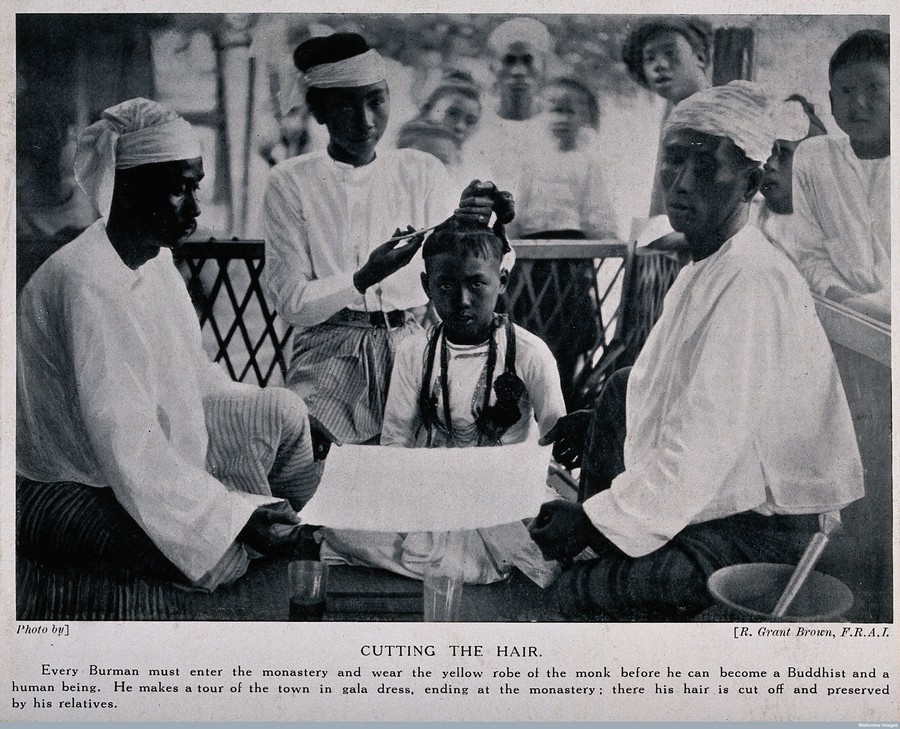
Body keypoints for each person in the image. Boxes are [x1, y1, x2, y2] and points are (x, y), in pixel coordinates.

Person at [530, 81, 864, 620]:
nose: (680, 184)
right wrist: (596, 423)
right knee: (619, 389)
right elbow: (672, 388)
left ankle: (606, 549)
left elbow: (705, 442)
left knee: (574, 591)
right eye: (673, 161)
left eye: (706, 168)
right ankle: (609, 539)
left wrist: (591, 521)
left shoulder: (752, 280)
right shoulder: (709, 264)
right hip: (717, 496)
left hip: (766, 530)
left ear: (751, 183)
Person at [16, 98, 321, 592]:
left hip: (132, 455)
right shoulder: (86, 281)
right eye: (180, 189)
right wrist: (234, 518)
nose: (196, 208)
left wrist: (290, 414)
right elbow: (126, 441)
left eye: (195, 186)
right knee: (219, 559)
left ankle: (277, 518)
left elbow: (193, 372)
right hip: (71, 480)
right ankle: (255, 522)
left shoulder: (153, 260)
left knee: (283, 411)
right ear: (128, 190)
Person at [263, 33, 495, 450]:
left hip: (414, 344)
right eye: (347, 105)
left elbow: (455, 265)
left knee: (426, 472)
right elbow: (293, 303)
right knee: (315, 466)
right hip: (329, 351)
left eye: (376, 100)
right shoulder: (290, 182)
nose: (366, 120)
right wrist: (363, 277)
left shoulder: (421, 171)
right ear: (319, 111)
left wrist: (482, 221)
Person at [322, 216, 566, 584]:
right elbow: (396, 442)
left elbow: (553, 440)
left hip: (504, 497)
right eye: (446, 285)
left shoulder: (530, 352)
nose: (462, 300)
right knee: (340, 524)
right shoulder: (414, 349)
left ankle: (447, 562)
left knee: (539, 535)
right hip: (430, 492)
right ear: (426, 286)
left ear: (502, 280)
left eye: (476, 283)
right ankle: (466, 563)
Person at [509, 75, 619, 405]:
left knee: (568, 332)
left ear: (584, 119)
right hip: (531, 260)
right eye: (552, 111)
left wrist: (606, 239)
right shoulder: (528, 161)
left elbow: (596, 211)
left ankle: (563, 403)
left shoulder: (587, 163)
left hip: (571, 257)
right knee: (527, 330)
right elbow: (515, 210)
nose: (560, 120)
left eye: (570, 112)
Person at [788, 29, 890, 322]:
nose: (857, 103)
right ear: (832, 102)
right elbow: (811, 253)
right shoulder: (813, 158)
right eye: (846, 91)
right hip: (839, 315)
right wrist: (844, 301)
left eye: (873, 88)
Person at [621, 17, 713, 216]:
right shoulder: (672, 116)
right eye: (649, 58)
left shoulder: (716, 113)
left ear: (700, 57)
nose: (659, 65)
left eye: (670, 53)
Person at [755, 94, 827, 261]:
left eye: (784, 155)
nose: (770, 164)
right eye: (766, 151)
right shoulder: (747, 220)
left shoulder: (825, 228)